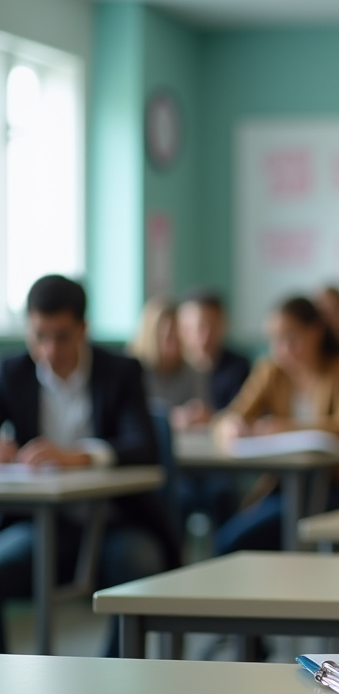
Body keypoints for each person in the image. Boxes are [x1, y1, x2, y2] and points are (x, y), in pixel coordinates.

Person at [0, 275, 175, 655]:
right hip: (42, 525)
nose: (48, 349)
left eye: (61, 336)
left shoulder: (121, 371)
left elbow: (143, 446)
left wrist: (75, 456)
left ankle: (113, 678)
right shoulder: (11, 373)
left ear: (83, 329)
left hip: (115, 521)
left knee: (138, 564)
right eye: (39, 335)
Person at [213, 297, 339, 553]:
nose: (282, 348)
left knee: (266, 536)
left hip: (336, 486)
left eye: (291, 337)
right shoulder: (270, 370)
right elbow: (230, 416)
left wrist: (286, 427)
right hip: (284, 487)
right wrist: (231, 426)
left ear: (316, 332)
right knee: (231, 540)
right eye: (275, 340)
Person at [176, 289, 251, 426]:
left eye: (213, 326)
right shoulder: (170, 367)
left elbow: (244, 412)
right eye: (200, 327)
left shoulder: (238, 367)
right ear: (183, 328)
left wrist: (212, 417)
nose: (206, 335)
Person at [127, 297, 207, 423]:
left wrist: (198, 414)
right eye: (167, 335)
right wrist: (172, 416)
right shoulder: (130, 370)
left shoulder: (193, 370)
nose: (174, 342)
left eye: (178, 333)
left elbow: (203, 410)